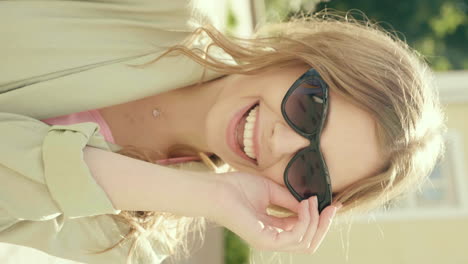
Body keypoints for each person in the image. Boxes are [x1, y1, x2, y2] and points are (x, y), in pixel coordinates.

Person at [0, 0, 446, 264]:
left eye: (310, 172)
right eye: (309, 107)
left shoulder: (127, 245)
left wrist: (208, 196)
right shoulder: (154, 10)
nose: (280, 142)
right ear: (307, 56)